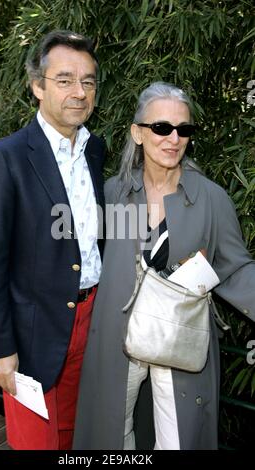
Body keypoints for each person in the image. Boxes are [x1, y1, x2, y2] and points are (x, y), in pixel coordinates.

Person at [73, 81, 255, 450]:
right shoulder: (112, 194)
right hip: (117, 339)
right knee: (111, 435)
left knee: (179, 440)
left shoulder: (209, 199)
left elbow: (235, 268)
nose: (174, 138)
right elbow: (80, 260)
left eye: (183, 129)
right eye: (161, 128)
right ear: (137, 133)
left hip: (180, 338)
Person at [0, 30, 105, 450]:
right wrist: (0, 347)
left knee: (78, 437)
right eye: (64, 80)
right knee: (36, 443)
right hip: (32, 333)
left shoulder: (95, 150)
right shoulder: (4, 158)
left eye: (89, 81)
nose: (79, 92)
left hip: (92, 321)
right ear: (37, 86)